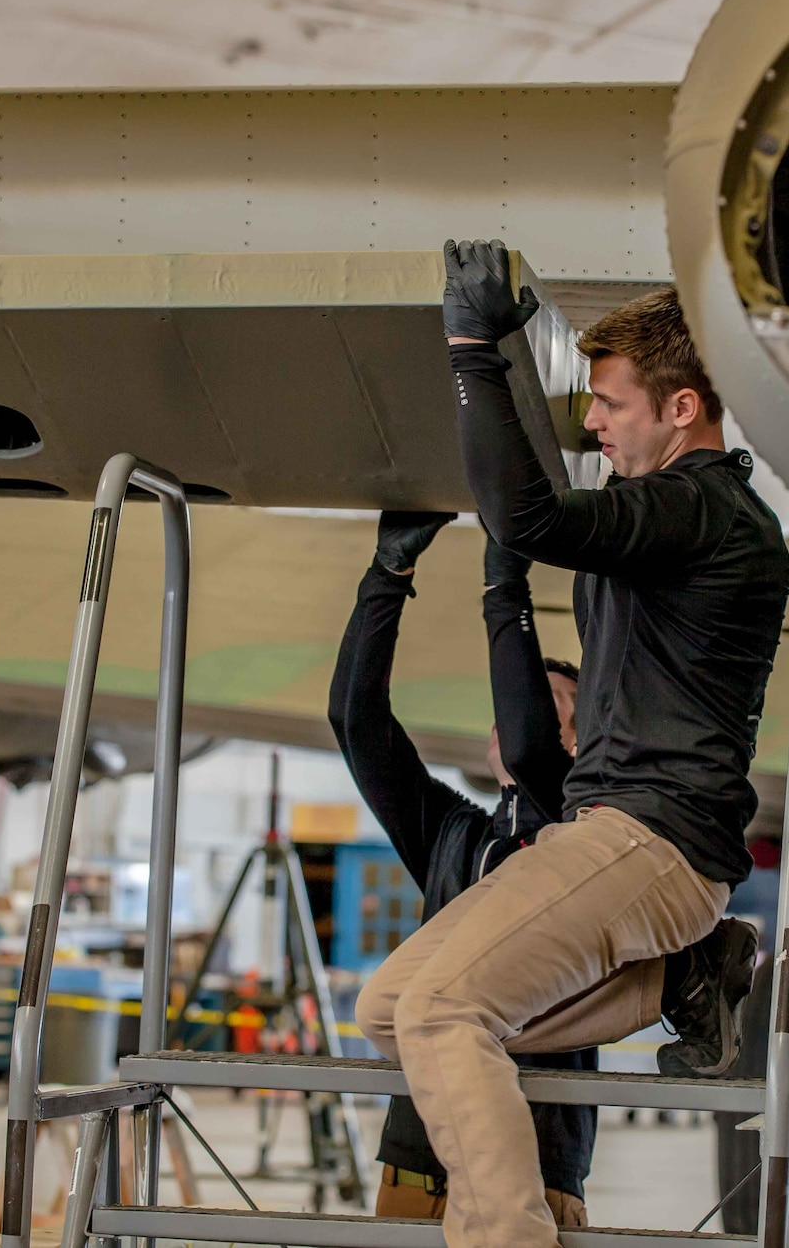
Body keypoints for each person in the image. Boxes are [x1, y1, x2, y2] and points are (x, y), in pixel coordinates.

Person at [355, 241, 789, 1248]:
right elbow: (533, 534)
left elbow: (528, 511)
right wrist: (493, 585)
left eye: (609, 401)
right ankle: (679, 976)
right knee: (391, 1007)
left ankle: (507, 1238)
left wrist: (475, 349)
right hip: (602, 830)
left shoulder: (708, 510)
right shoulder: (657, 517)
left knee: (440, 1016)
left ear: (681, 409)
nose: (590, 422)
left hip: (652, 838)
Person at [327, 511, 595, 1226]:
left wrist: (505, 580)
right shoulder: (455, 837)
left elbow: (538, 750)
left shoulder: (595, 841)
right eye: (509, 707)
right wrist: (387, 576)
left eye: (550, 706)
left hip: (535, 1165)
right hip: (421, 1152)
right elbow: (357, 721)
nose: (516, 717)